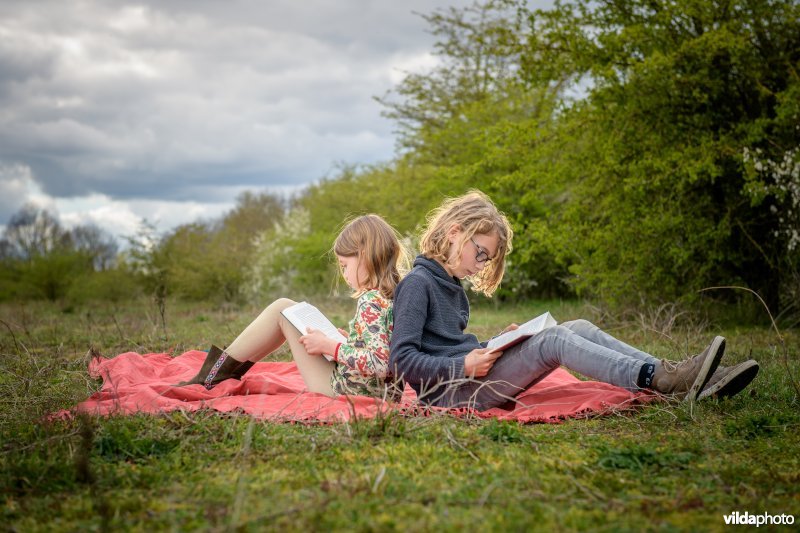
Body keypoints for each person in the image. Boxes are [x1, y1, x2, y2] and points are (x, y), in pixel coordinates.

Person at [389, 191, 759, 410]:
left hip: (468, 380)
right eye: (481, 253)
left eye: (487, 257)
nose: (482, 263)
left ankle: (677, 374)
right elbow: (402, 361)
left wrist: (496, 344)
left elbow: (446, 346)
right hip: (454, 395)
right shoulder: (418, 284)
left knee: (576, 326)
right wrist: (466, 365)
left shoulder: (450, 284)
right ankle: (655, 379)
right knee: (555, 341)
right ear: (455, 233)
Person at [178, 214, 407, 400]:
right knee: (286, 306)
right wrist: (350, 342)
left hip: (348, 392)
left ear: (365, 256)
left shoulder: (370, 301)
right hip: (379, 392)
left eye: (344, 265)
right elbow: (384, 350)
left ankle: (211, 377)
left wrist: (331, 346)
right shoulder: (395, 295)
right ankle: (218, 374)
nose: (344, 274)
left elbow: (379, 364)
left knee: (282, 309)